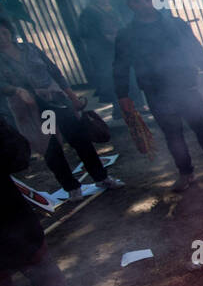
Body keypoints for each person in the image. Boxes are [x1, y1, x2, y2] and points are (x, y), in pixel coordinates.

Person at [113, 0, 203, 193]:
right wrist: (122, 95)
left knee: (202, 127)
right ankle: (186, 174)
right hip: (155, 91)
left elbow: (193, 45)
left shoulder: (174, 23)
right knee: (173, 135)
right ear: (130, 4)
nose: (146, 4)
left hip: (185, 85)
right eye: (139, 0)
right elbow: (120, 65)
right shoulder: (127, 34)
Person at [1, 116, 113, 286]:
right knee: (33, 263)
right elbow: (17, 156)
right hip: (6, 207)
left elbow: (17, 155)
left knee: (33, 262)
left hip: (7, 208)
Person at [0, 18, 123, 200]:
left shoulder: (30, 48)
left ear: (10, 31)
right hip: (33, 111)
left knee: (80, 139)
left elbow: (55, 72)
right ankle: (71, 187)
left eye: (4, 33)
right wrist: (17, 90)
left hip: (55, 101)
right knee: (51, 146)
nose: (2, 38)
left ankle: (102, 177)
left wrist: (72, 97)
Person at [77, 0, 126, 113]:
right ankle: (118, 109)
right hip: (103, 52)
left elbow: (120, 25)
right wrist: (104, 37)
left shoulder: (111, 9)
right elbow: (84, 32)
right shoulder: (89, 13)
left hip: (117, 47)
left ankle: (133, 105)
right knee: (111, 79)